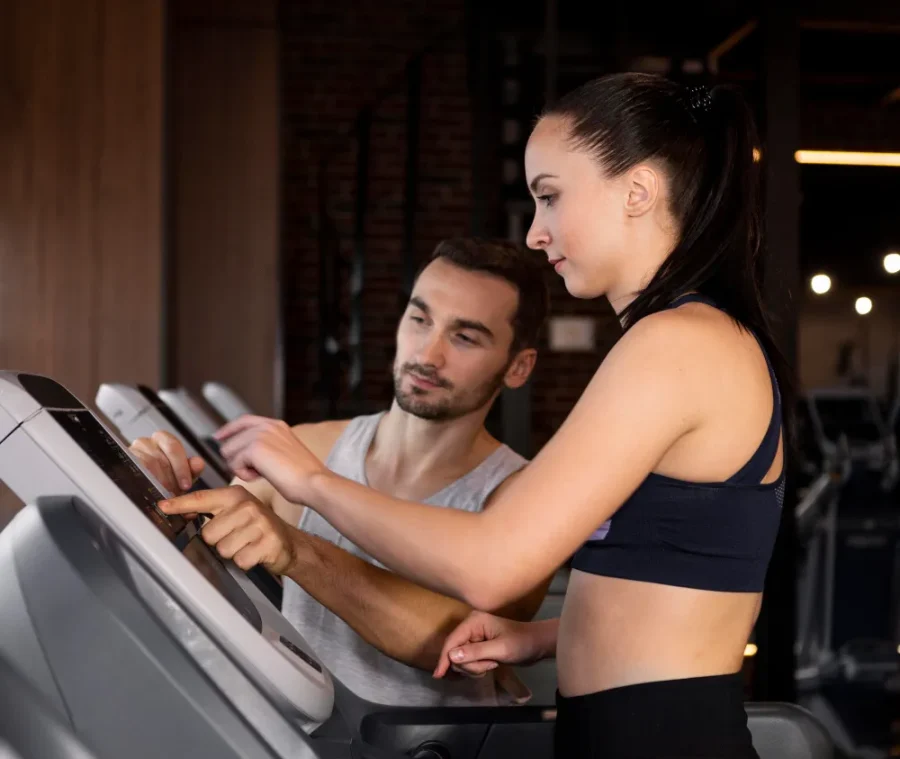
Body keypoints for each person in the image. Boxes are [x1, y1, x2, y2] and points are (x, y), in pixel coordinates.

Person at [162, 73, 792, 758]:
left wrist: (311, 485)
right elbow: (700, 581)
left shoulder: (677, 342)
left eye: (550, 196)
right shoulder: (698, 337)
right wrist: (546, 637)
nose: (534, 233)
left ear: (637, 191)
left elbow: (492, 563)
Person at [132, 237, 554, 707]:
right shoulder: (306, 449)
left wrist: (297, 549)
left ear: (518, 367)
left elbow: (465, 642)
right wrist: (157, 499)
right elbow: (205, 577)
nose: (428, 354)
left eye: (465, 337)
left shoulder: (524, 499)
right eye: (419, 319)